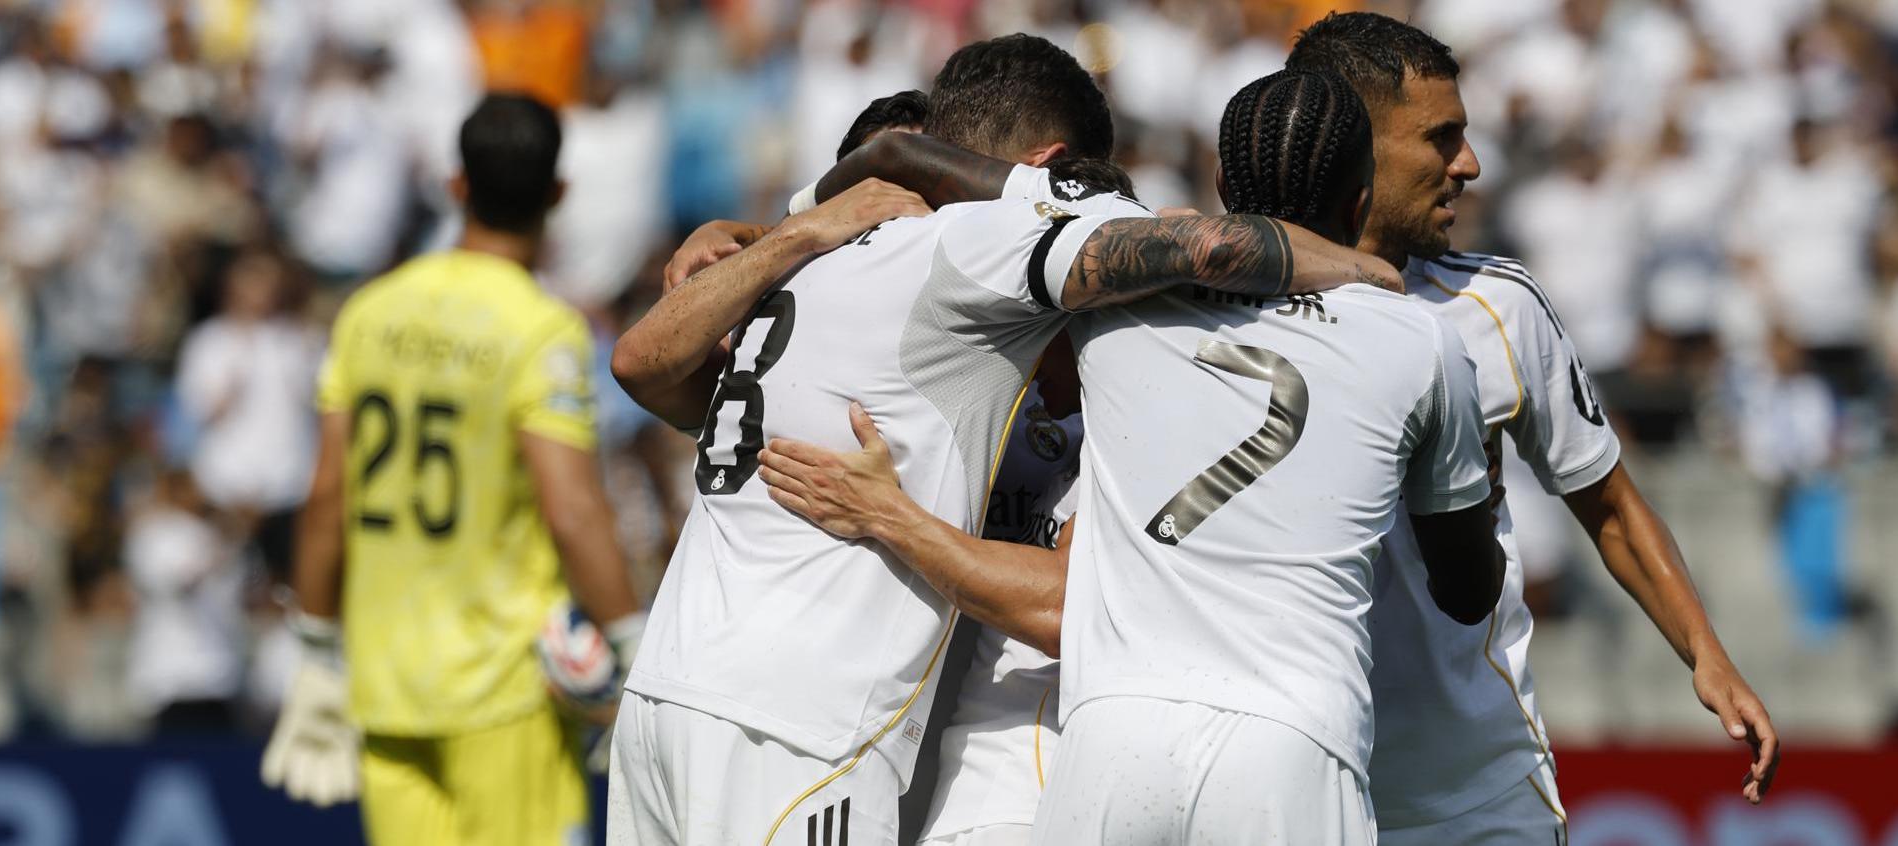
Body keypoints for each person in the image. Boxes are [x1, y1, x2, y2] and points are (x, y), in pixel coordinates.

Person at [608, 34, 1400, 846]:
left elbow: (641, 362)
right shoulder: (988, 247)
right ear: (1053, 169)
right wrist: (1363, 271)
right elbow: (1206, 246)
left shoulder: (824, 261)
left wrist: (776, 233)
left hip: (669, 694)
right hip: (799, 726)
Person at [760, 68, 1503, 844]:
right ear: (1360, 198)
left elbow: (912, 159)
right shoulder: (1421, 340)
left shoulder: (1121, 299)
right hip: (1292, 739)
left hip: (1114, 735)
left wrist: (775, 230)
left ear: (1217, 180)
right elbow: (1464, 591)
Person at [1284, 12, 1779, 842]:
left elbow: (1610, 505)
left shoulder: (1499, 305)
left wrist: (1706, 654)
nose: (1468, 166)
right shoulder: (1219, 306)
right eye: (1440, 139)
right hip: (1296, 777)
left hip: (1479, 790)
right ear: (1349, 144)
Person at [260, 93, 645, 846]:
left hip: (383, 683)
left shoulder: (370, 312)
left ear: (455, 185)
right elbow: (571, 510)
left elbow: (328, 493)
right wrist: (631, 648)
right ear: (557, 193)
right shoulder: (542, 329)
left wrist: (314, 648)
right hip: (503, 688)